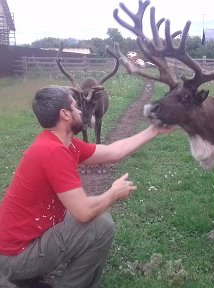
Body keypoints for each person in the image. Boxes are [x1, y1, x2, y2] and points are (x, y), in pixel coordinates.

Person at [0, 85, 175, 288]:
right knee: (101, 226)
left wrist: (153, 130)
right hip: (13, 258)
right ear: (65, 114)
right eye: (75, 106)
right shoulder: (53, 151)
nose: (81, 111)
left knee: (89, 217)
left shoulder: (64, 144)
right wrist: (113, 193)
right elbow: (83, 212)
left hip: (20, 244)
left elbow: (111, 152)